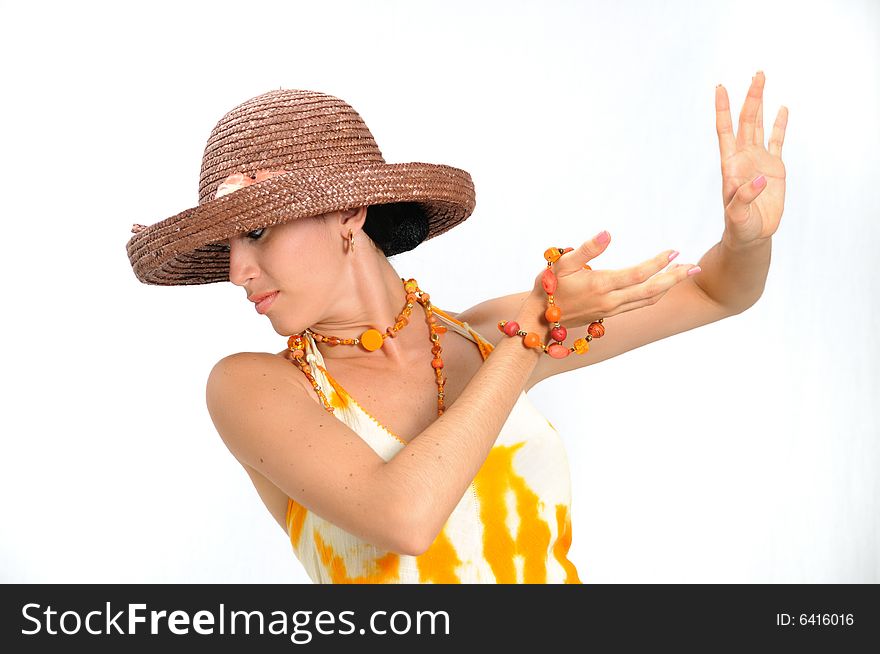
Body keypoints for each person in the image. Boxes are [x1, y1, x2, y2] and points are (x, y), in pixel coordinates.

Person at [126, 74, 788, 583]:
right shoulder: (253, 387)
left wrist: (746, 237)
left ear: (347, 211)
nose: (239, 269)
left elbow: (714, 291)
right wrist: (525, 342)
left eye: (258, 231)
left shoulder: (483, 336)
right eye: (228, 248)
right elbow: (405, 518)